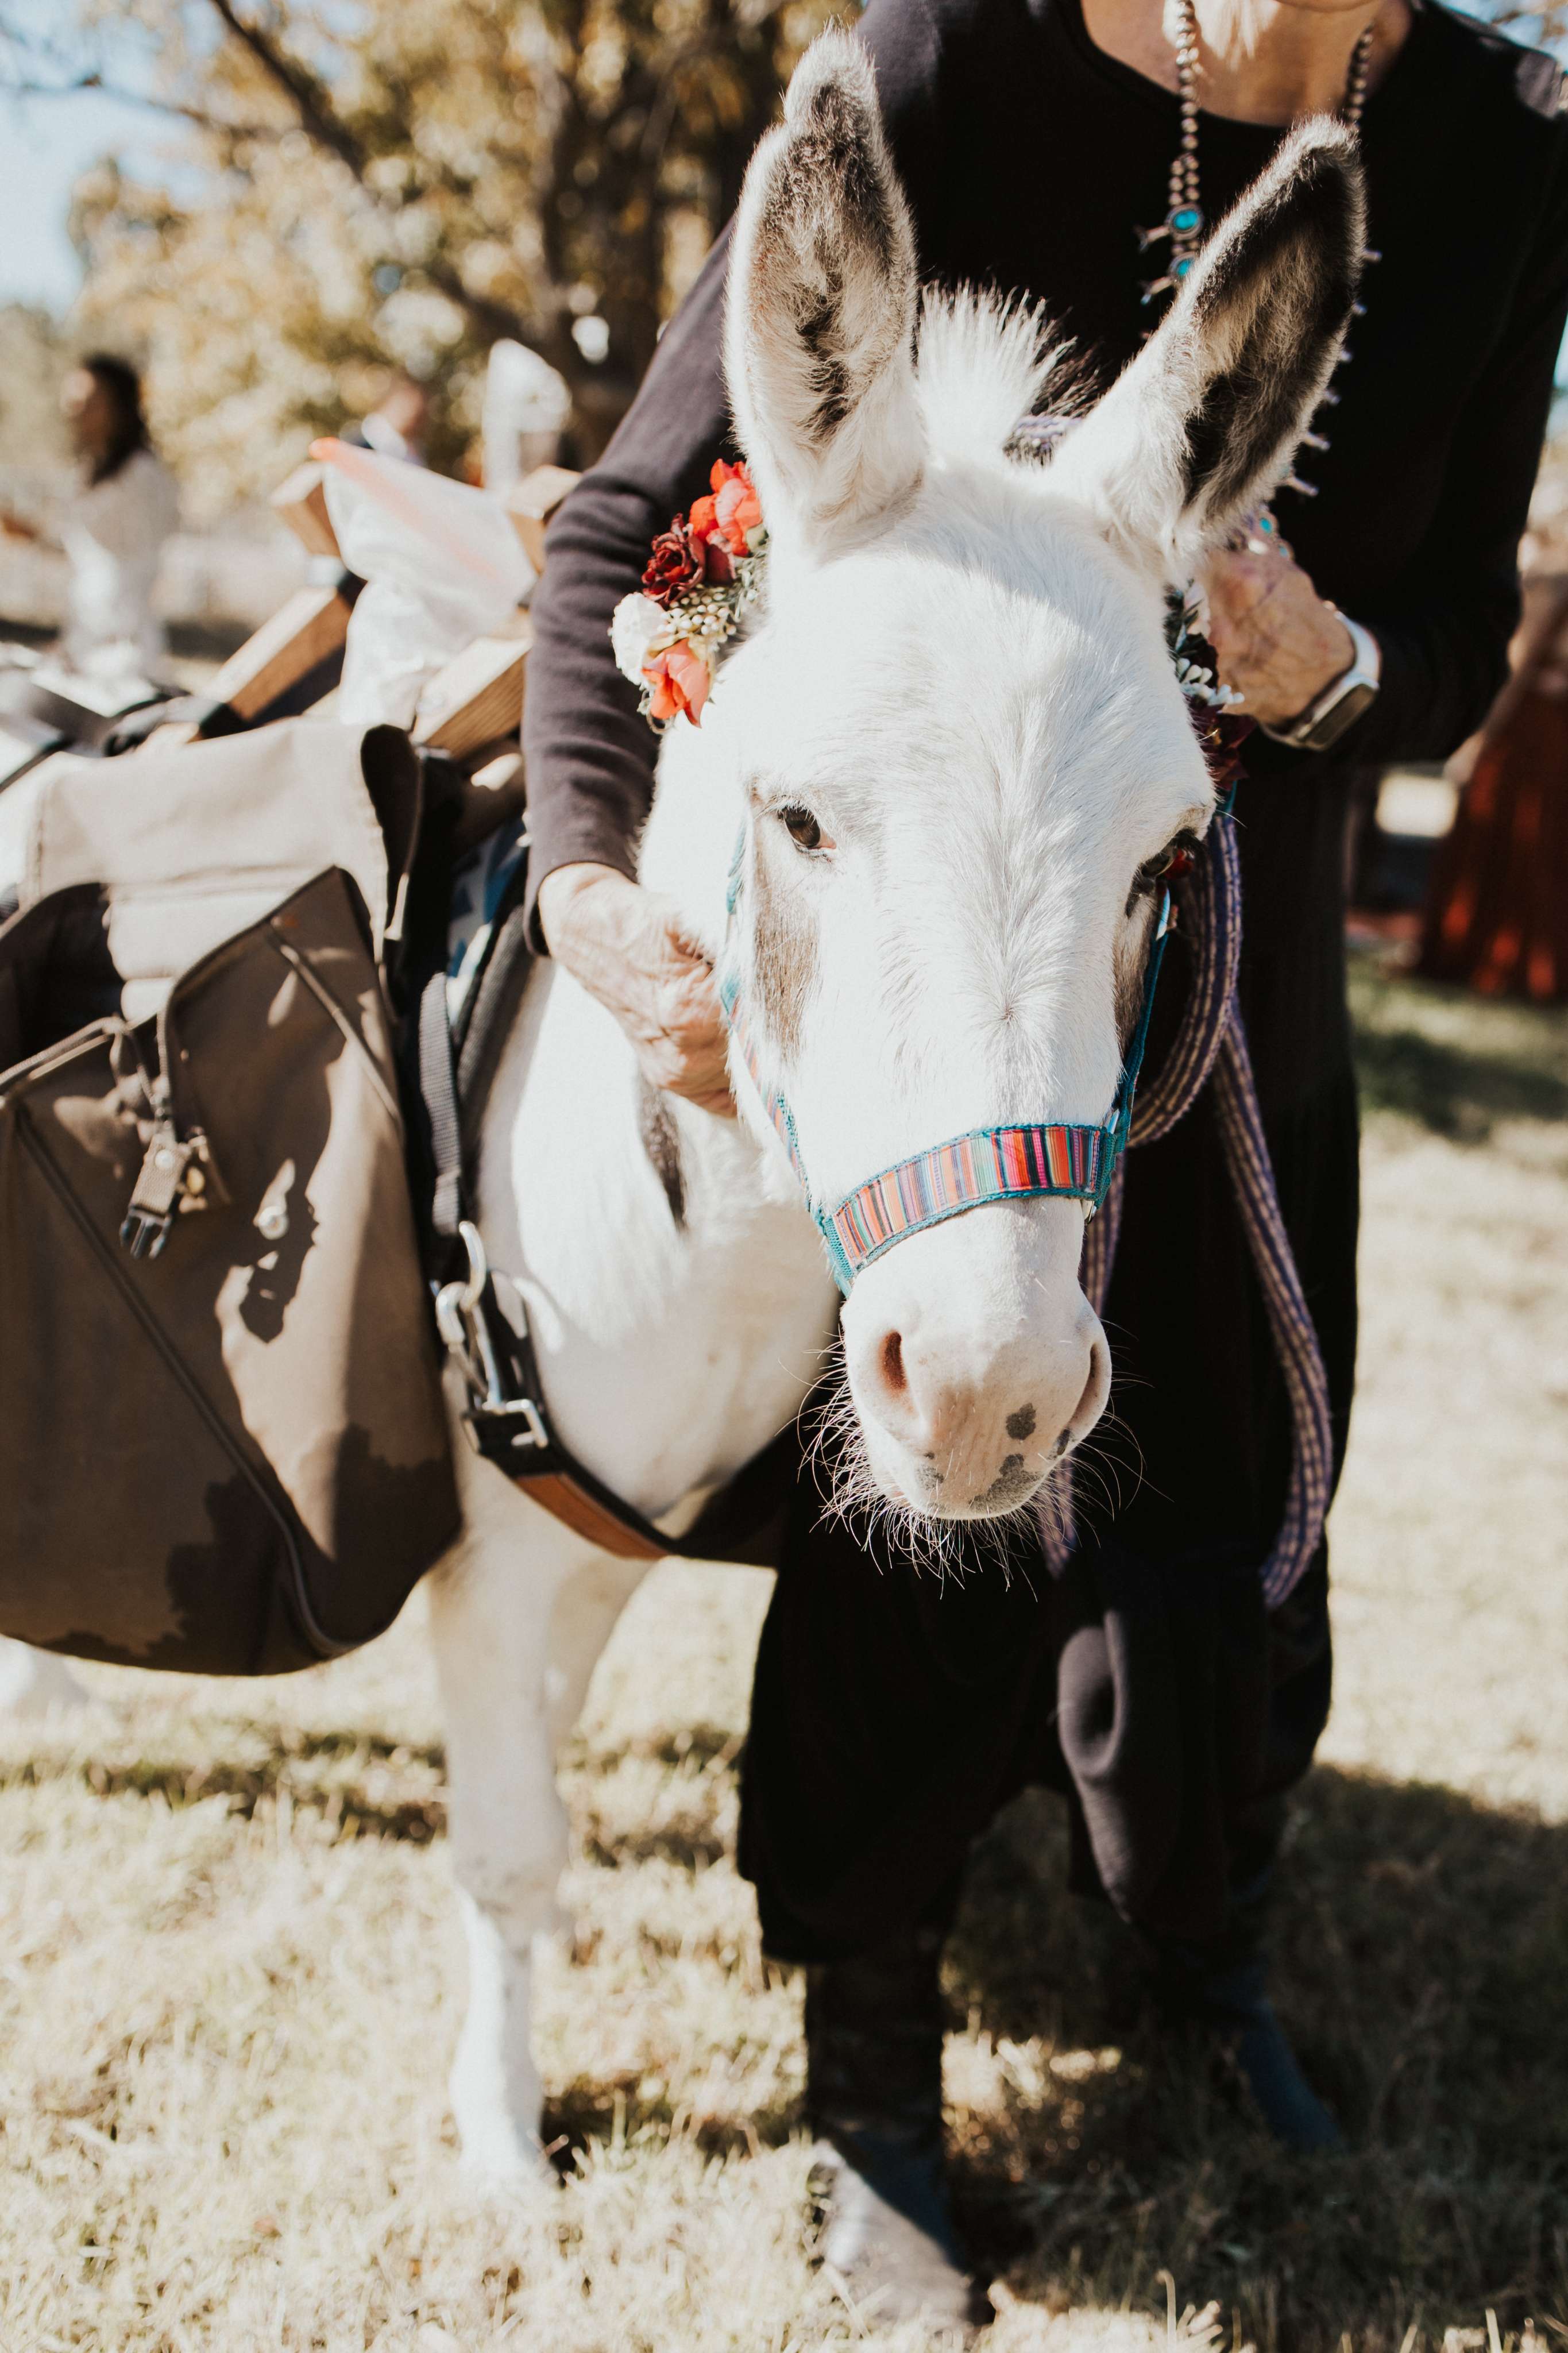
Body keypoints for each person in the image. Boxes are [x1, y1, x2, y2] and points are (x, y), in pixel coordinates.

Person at [522, 0, 1568, 2324]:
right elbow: (629, 516)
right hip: (929, 996)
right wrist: (598, 897)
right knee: (924, 1510)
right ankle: (871, 2065)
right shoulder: (932, 68)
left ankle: (1205, 1953)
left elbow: (1457, 636)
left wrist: (1324, 678)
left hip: (1230, 944)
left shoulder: (1506, 149)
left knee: (1239, 1497)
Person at [1, 354, 179, 685]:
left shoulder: (143, 476)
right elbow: (85, 554)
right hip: (86, 649)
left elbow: (127, 561)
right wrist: (32, 535)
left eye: (88, 402)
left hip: (123, 658)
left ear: (121, 408)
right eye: (71, 402)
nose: (75, 411)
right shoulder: (88, 474)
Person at [343, 370, 432, 466]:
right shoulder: (355, 446)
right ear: (391, 401)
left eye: (418, 412)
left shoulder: (414, 453)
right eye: (404, 407)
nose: (411, 416)